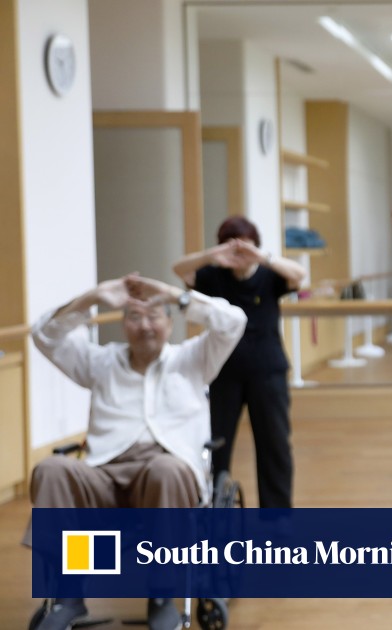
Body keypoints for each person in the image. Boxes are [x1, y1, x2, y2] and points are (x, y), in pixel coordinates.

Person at [25, 274, 246, 630]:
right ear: (122, 325)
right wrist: (92, 297)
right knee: (52, 469)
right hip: (105, 473)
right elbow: (44, 335)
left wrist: (174, 294)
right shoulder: (101, 362)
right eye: (134, 317)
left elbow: (234, 321)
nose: (145, 326)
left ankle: (161, 594)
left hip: (167, 470)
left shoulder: (194, 358)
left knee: (165, 469)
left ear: (170, 323)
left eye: (154, 315)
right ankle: (69, 594)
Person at [172, 217, 306, 508]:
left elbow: (299, 275)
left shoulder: (269, 276)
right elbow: (179, 269)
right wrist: (213, 255)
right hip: (223, 372)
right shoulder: (213, 276)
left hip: (268, 371)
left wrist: (261, 257)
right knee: (216, 443)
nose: (239, 253)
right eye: (232, 247)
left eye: (246, 245)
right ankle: (215, 506)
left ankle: (277, 516)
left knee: (274, 444)